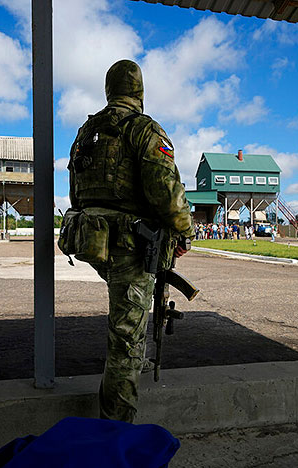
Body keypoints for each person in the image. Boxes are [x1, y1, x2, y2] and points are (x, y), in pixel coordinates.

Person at [66, 59, 194, 423]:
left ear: (109, 90)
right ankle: (115, 433)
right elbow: (166, 191)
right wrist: (184, 231)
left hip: (92, 241)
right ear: (139, 92)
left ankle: (127, 375)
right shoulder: (143, 130)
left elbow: (76, 191)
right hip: (129, 245)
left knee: (127, 322)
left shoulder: (86, 132)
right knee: (126, 339)